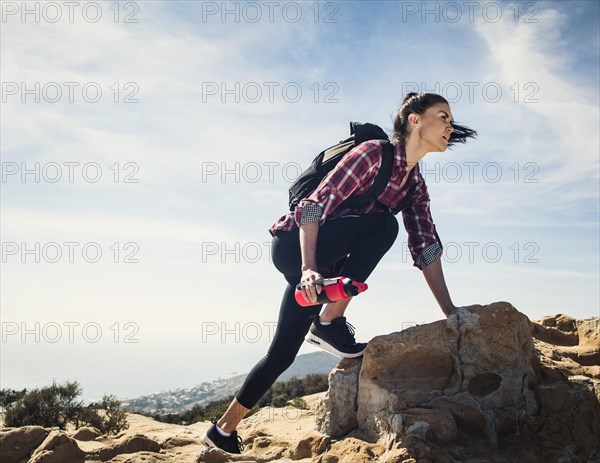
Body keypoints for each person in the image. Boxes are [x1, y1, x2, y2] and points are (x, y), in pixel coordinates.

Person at [201, 92, 477, 454]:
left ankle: (222, 430)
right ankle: (329, 323)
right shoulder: (374, 154)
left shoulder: (415, 186)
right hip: (296, 248)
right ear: (414, 120)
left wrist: (451, 312)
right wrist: (309, 269)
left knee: (281, 355)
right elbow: (313, 205)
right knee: (383, 227)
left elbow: (425, 247)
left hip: (324, 272)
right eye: (442, 116)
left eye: (451, 120)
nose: (449, 126)